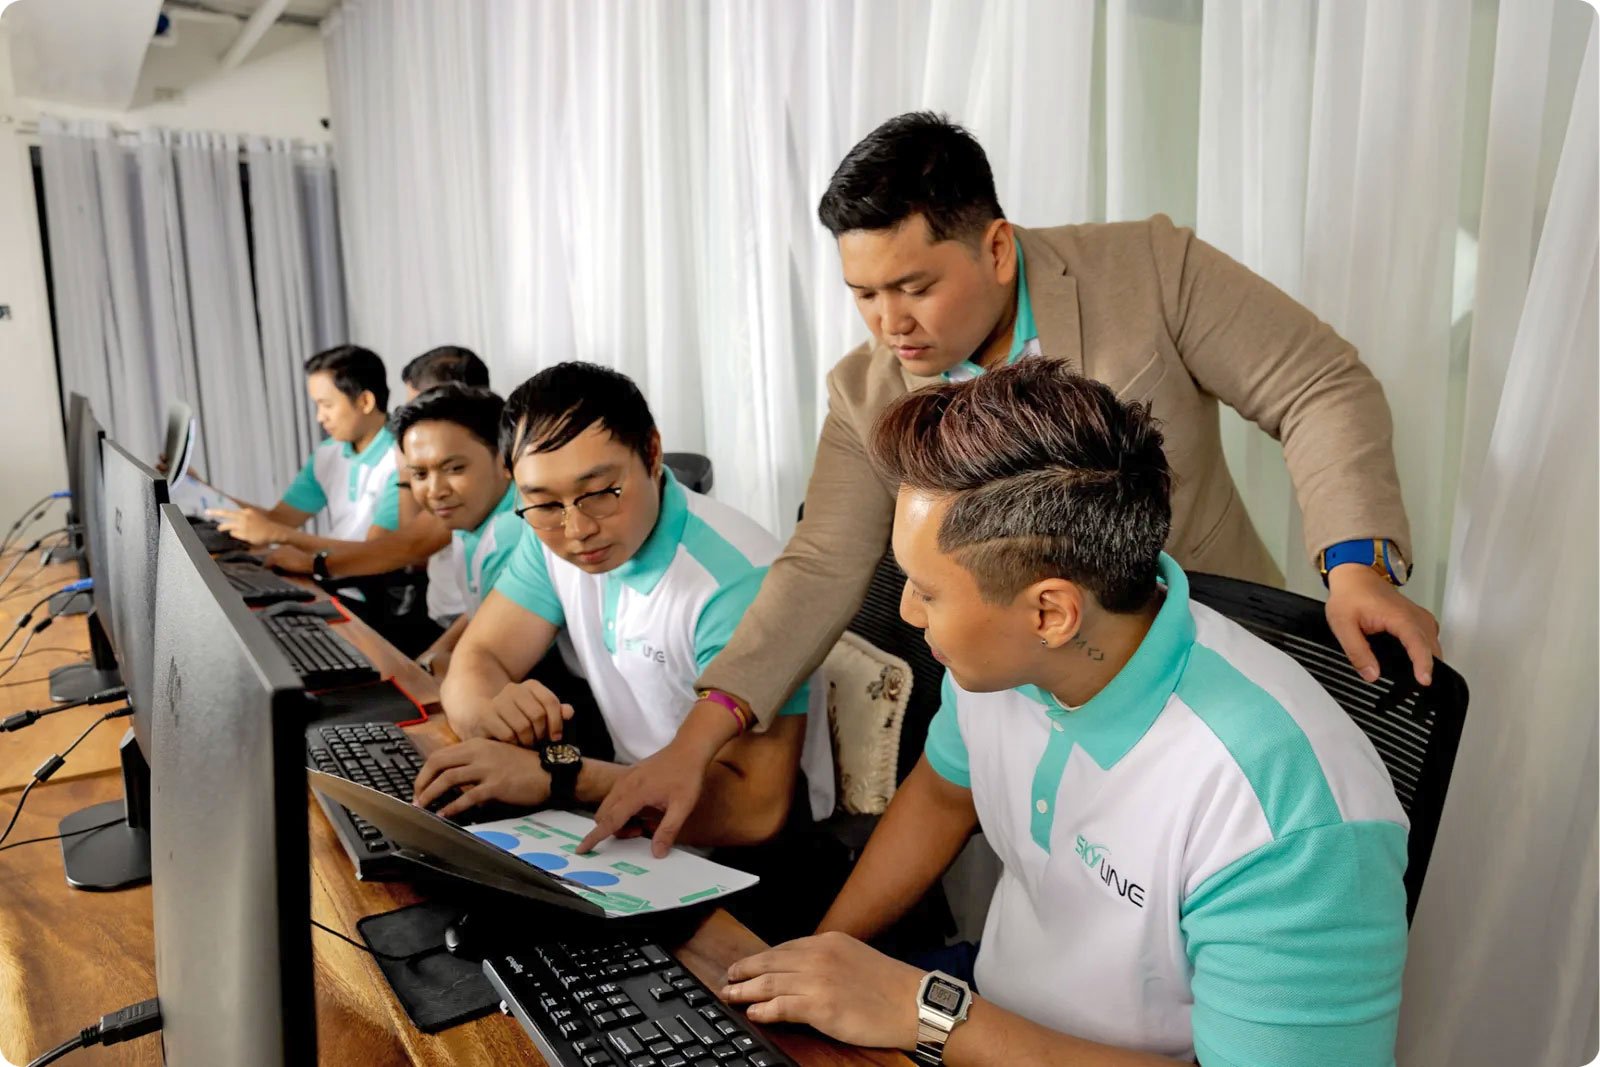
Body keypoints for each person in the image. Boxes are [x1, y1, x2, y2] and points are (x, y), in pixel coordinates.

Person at [581, 110, 1443, 857]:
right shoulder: (867, 388)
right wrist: (698, 739)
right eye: (864, 295)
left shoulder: (1147, 268)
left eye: (914, 287)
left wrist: (1356, 564)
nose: (891, 325)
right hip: (1012, 707)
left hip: (1198, 666)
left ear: (996, 247)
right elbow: (818, 566)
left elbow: (1318, 383)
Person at [722, 360, 1409, 1066]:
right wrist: (822, 963)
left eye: (926, 591)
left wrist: (920, 1010)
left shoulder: (1290, 812)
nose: (905, 610)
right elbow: (940, 794)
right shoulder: (1000, 662)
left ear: (1051, 611)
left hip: (965, 1024)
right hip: (977, 1020)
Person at [417, 362, 834, 857]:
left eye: (599, 493)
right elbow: (477, 657)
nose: (576, 530)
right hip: (625, 813)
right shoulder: (549, 539)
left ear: (652, 454)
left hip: (751, 854)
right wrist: (490, 715)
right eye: (545, 503)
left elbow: (754, 811)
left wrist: (559, 776)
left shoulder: (736, 583)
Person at [210, 345, 404, 554]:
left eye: (327, 405)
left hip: (374, 581)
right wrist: (202, 489)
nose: (320, 417)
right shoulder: (328, 454)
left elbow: (374, 553)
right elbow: (279, 520)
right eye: (317, 406)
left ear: (365, 402)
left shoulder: (402, 459)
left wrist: (279, 535)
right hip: (333, 573)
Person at [386, 384, 523, 677]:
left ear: (504, 460)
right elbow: (482, 612)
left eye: (454, 469)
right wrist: (431, 656)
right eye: (420, 474)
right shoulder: (471, 514)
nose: (435, 491)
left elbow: (489, 667)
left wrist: (429, 664)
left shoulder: (511, 530)